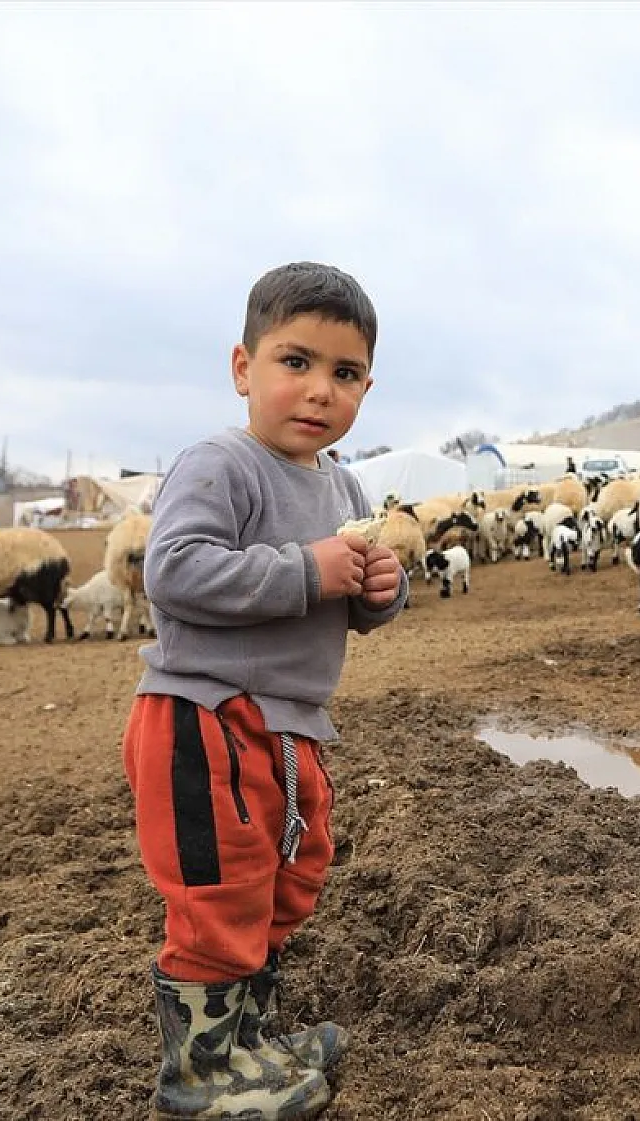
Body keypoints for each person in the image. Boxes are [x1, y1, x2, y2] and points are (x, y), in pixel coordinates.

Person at [123, 262, 409, 1120]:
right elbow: (171, 571)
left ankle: (247, 1041)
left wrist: (378, 589)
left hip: (291, 730)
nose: (320, 390)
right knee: (218, 895)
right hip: (203, 719)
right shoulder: (222, 463)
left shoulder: (344, 485)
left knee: (286, 881)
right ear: (243, 368)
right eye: (296, 362)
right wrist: (308, 568)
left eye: (346, 373)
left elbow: (350, 606)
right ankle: (199, 1077)